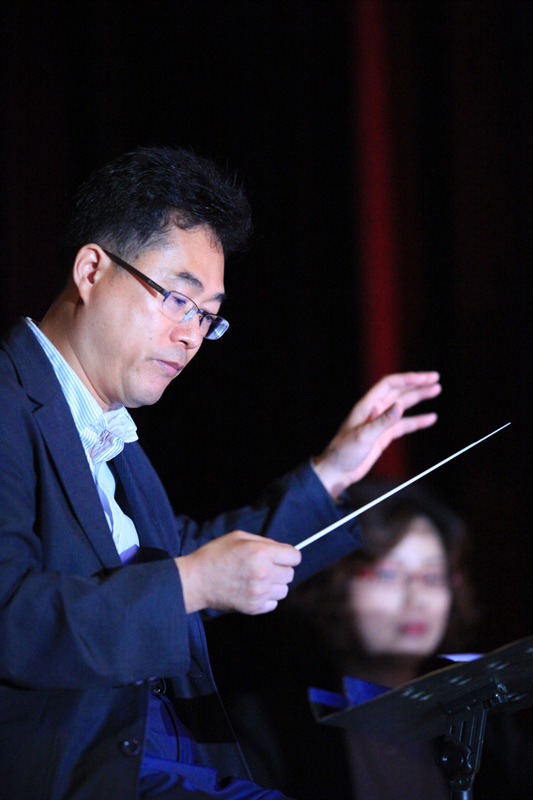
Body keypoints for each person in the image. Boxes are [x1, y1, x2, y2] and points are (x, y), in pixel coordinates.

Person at [0, 145, 442, 800]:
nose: (190, 336)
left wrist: (331, 473)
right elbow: (12, 618)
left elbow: (185, 556)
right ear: (91, 270)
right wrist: (191, 583)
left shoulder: (109, 431)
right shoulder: (10, 402)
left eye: (207, 316)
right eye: (177, 299)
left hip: (169, 762)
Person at [215, 481, 531, 799]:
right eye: (387, 574)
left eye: (433, 576)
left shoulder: (482, 714)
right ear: (335, 583)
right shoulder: (272, 722)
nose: (417, 598)